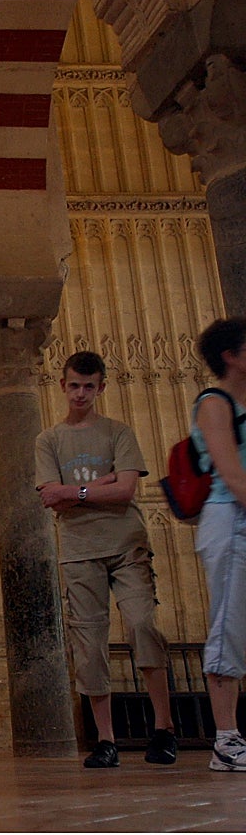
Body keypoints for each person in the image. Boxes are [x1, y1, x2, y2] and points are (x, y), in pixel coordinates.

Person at [36, 350, 177, 769]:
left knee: (142, 626)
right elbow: (50, 498)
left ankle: (164, 728)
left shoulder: (119, 432)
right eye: (74, 385)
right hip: (79, 552)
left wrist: (76, 491)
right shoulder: (49, 440)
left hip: (127, 544)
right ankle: (106, 738)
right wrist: (104, 481)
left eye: (89, 386)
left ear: (101, 387)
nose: (81, 393)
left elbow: (126, 491)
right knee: (89, 643)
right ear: (62, 386)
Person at [191, 319, 246, 771]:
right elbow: (231, 474)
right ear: (231, 355)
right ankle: (226, 741)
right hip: (231, 519)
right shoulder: (214, 403)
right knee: (229, 623)